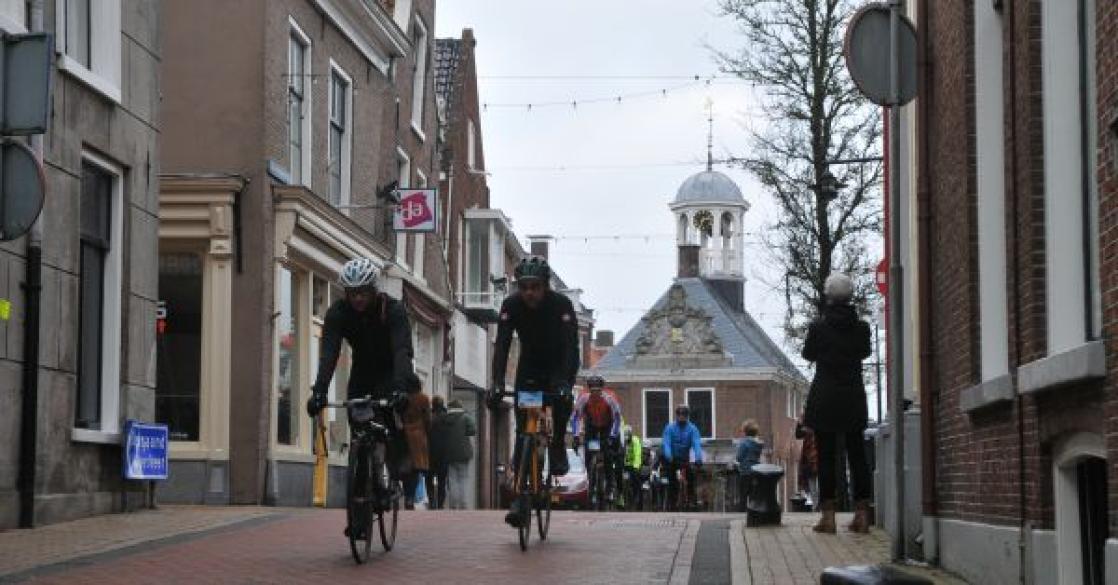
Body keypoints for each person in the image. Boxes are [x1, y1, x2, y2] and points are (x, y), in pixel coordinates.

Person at [305, 258, 415, 520]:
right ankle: (360, 501)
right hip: (362, 373)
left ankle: (395, 468)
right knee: (360, 430)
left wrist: (400, 388)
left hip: (391, 371)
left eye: (363, 292)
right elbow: (329, 354)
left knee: (390, 415)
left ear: (374, 289)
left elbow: (402, 351)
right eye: (352, 293)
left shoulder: (394, 310)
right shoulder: (338, 313)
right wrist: (319, 391)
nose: (358, 299)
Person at [487, 256, 580, 528]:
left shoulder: (561, 305)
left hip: (557, 367)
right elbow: (502, 345)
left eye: (535, 287)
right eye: (524, 287)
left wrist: (565, 382)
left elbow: (571, 348)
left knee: (562, 402)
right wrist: (496, 382)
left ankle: (558, 443)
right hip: (528, 368)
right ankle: (520, 497)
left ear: (545, 286)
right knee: (524, 431)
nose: (529, 292)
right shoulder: (511, 305)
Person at [801, 272, 873, 534]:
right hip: (853, 396)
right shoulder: (862, 328)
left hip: (826, 398)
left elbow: (807, 353)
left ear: (828, 296)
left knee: (827, 457)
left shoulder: (818, 328)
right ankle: (862, 514)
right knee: (857, 456)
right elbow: (865, 352)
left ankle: (828, 517)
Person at [570, 375, 622, 505]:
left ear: (602, 389)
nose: (595, 393)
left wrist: (612, 436)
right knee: (588, 454)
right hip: (591, 425)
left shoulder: (610, 398)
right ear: (589, 390)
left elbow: (617, 418)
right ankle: (590, 480)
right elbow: (576, 418)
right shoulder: (584, 398)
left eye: (598, 390)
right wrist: (576, 436)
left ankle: (610, 487)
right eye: (592, 390)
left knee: (608, 454)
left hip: (607, 425)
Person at [430, 398, 477, 510]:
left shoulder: (445, 418)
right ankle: (464, 503)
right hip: (464, 453)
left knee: (452, 479)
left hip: (449, 453)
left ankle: (453, 504)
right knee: (463, 478)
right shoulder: (465, 417)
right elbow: (472, 430)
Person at [661, 405, 703, 511]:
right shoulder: (669, 428)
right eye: (679, 414)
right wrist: (669, 455)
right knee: (672, 480)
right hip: (672, 458)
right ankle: (672, 502)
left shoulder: (693, 429)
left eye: (684, 415)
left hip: (684, 458)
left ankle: (692, 501)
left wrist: (698, 458)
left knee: (691, 478)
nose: (681, 417)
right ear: (676, 415)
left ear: (687, 416)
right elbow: (666, 443)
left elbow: (696, 444)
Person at [401, 383, 431, 510]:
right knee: (415, 469)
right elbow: (427, 419)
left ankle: (407, 495)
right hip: (418, 435)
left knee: (405, 468)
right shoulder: (423, 399)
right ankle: (410, 498)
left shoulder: (403, 398)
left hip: (403, 434)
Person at [735, 419, 764, 512]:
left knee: (743, 495)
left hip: (745, 472)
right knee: (753, 495)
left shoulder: (744, 443)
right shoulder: (758, 444)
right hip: (756, 471)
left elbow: (739, 457)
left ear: (745, 431)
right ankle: (753, 514)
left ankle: (741, 515)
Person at [622, 425, 643, 511]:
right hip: (625, 465)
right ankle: (622, 499)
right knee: (621, 480)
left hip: (634, 466)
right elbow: (621, 453)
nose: (627, 439)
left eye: (628, 437)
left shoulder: (635, 441)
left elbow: (637, 454)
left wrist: (636, 466)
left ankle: (638, 499)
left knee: (636, 482)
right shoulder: (623, 442)